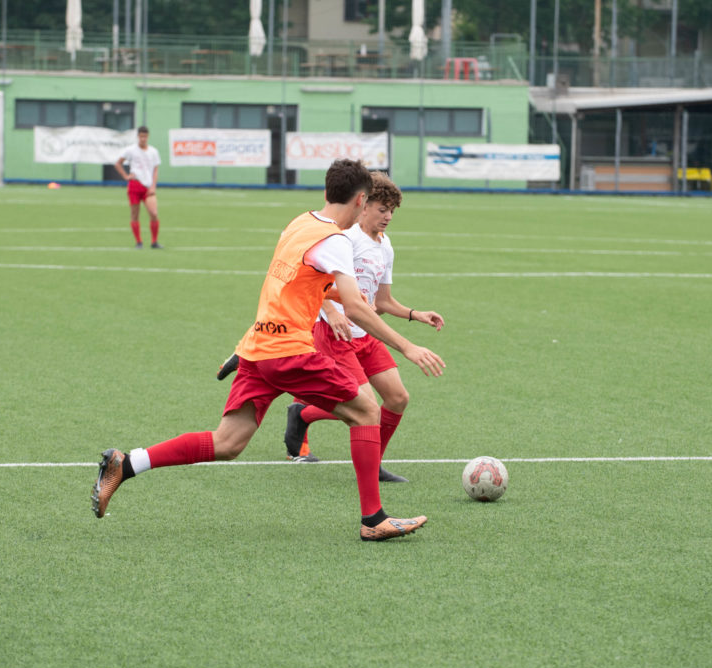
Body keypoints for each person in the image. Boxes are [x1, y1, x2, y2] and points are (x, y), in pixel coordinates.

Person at [92, 159, 446, 541]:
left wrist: (327, 293)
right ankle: (373, 519)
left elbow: (293, 282)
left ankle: (127, 464)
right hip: (288, 350)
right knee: (367, 410)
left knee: (228, 442)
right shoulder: (337, 240)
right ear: (361, 200)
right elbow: (358, 308)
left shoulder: (300, 223)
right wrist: (408, 346)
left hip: (259, 348)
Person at [284, 173, 444, 486]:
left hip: (366, 335)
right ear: (364, 204)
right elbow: (315, 283)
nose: (387, 216)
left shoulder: (385, 247)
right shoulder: (345, 238)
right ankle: (304, 415)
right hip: (335, 335)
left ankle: (369, 457)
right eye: (382, 208)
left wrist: (415, 314)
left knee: (397, 398)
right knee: (366, 407)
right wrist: (331, 311)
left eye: (392, 211)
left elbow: (381, 301)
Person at [115, 126, 162, 248]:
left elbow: (155, 170)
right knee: (135, 214)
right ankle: (139, 241)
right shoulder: (131, 150)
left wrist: (153, 186)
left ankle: (154, 242)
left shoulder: (153, 152)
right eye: (141, 136)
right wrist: (126, 176)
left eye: (145, 136)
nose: (143, 139)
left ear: (148, 137)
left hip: (148, 187)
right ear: (138, 137)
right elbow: (118, 163)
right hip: (135, 185)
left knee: (154, 213)